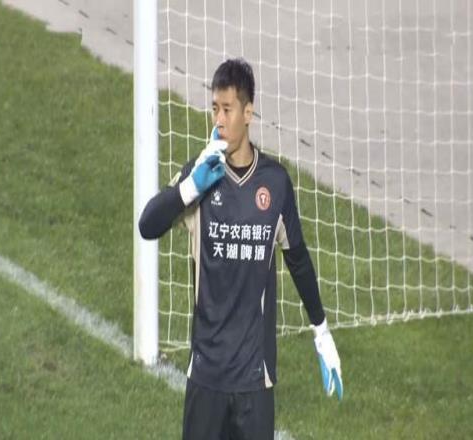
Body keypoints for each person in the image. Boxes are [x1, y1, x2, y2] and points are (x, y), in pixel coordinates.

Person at [139, 58, 343, 440]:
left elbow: (297, 258)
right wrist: (190, 187)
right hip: (206, 376)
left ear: (248, 113)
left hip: (254, 380)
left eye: (228, 109)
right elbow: (147, 225)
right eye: (214, 108)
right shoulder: (200, 174)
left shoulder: (275, 183)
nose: (219, 120)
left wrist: (322, 332)